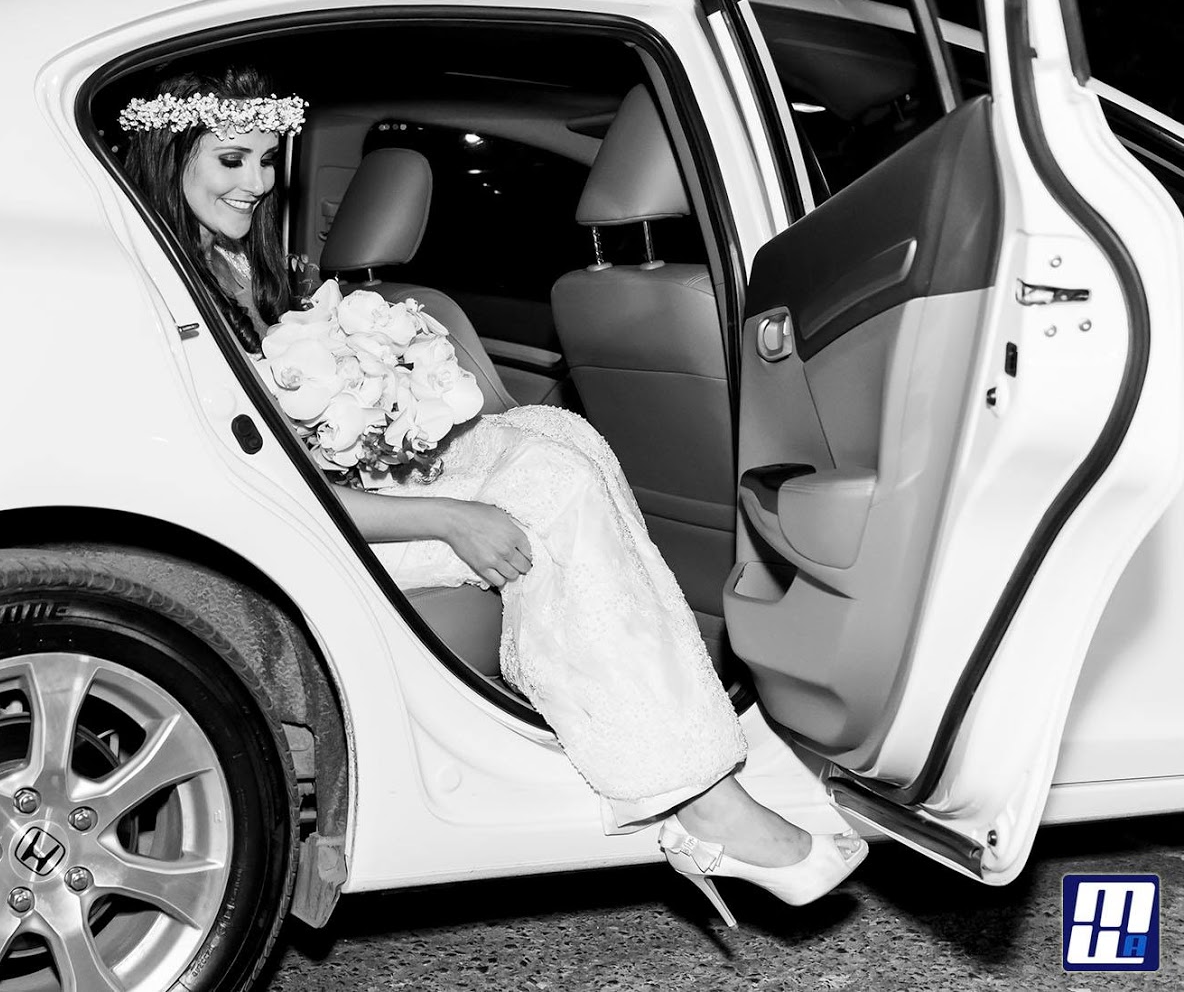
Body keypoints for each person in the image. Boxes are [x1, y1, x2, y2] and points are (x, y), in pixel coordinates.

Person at [118, 67, 866, 927]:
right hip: (291, 538)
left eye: (266, 160)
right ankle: (699, 800)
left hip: (333, 502)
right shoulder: (159, 292)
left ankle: (676, 755)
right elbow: (255, 493)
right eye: (232, 160)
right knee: (547, 491)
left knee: (560, 439)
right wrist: (448, 514)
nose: (256, 182)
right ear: (168, 153)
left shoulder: (245, 267)